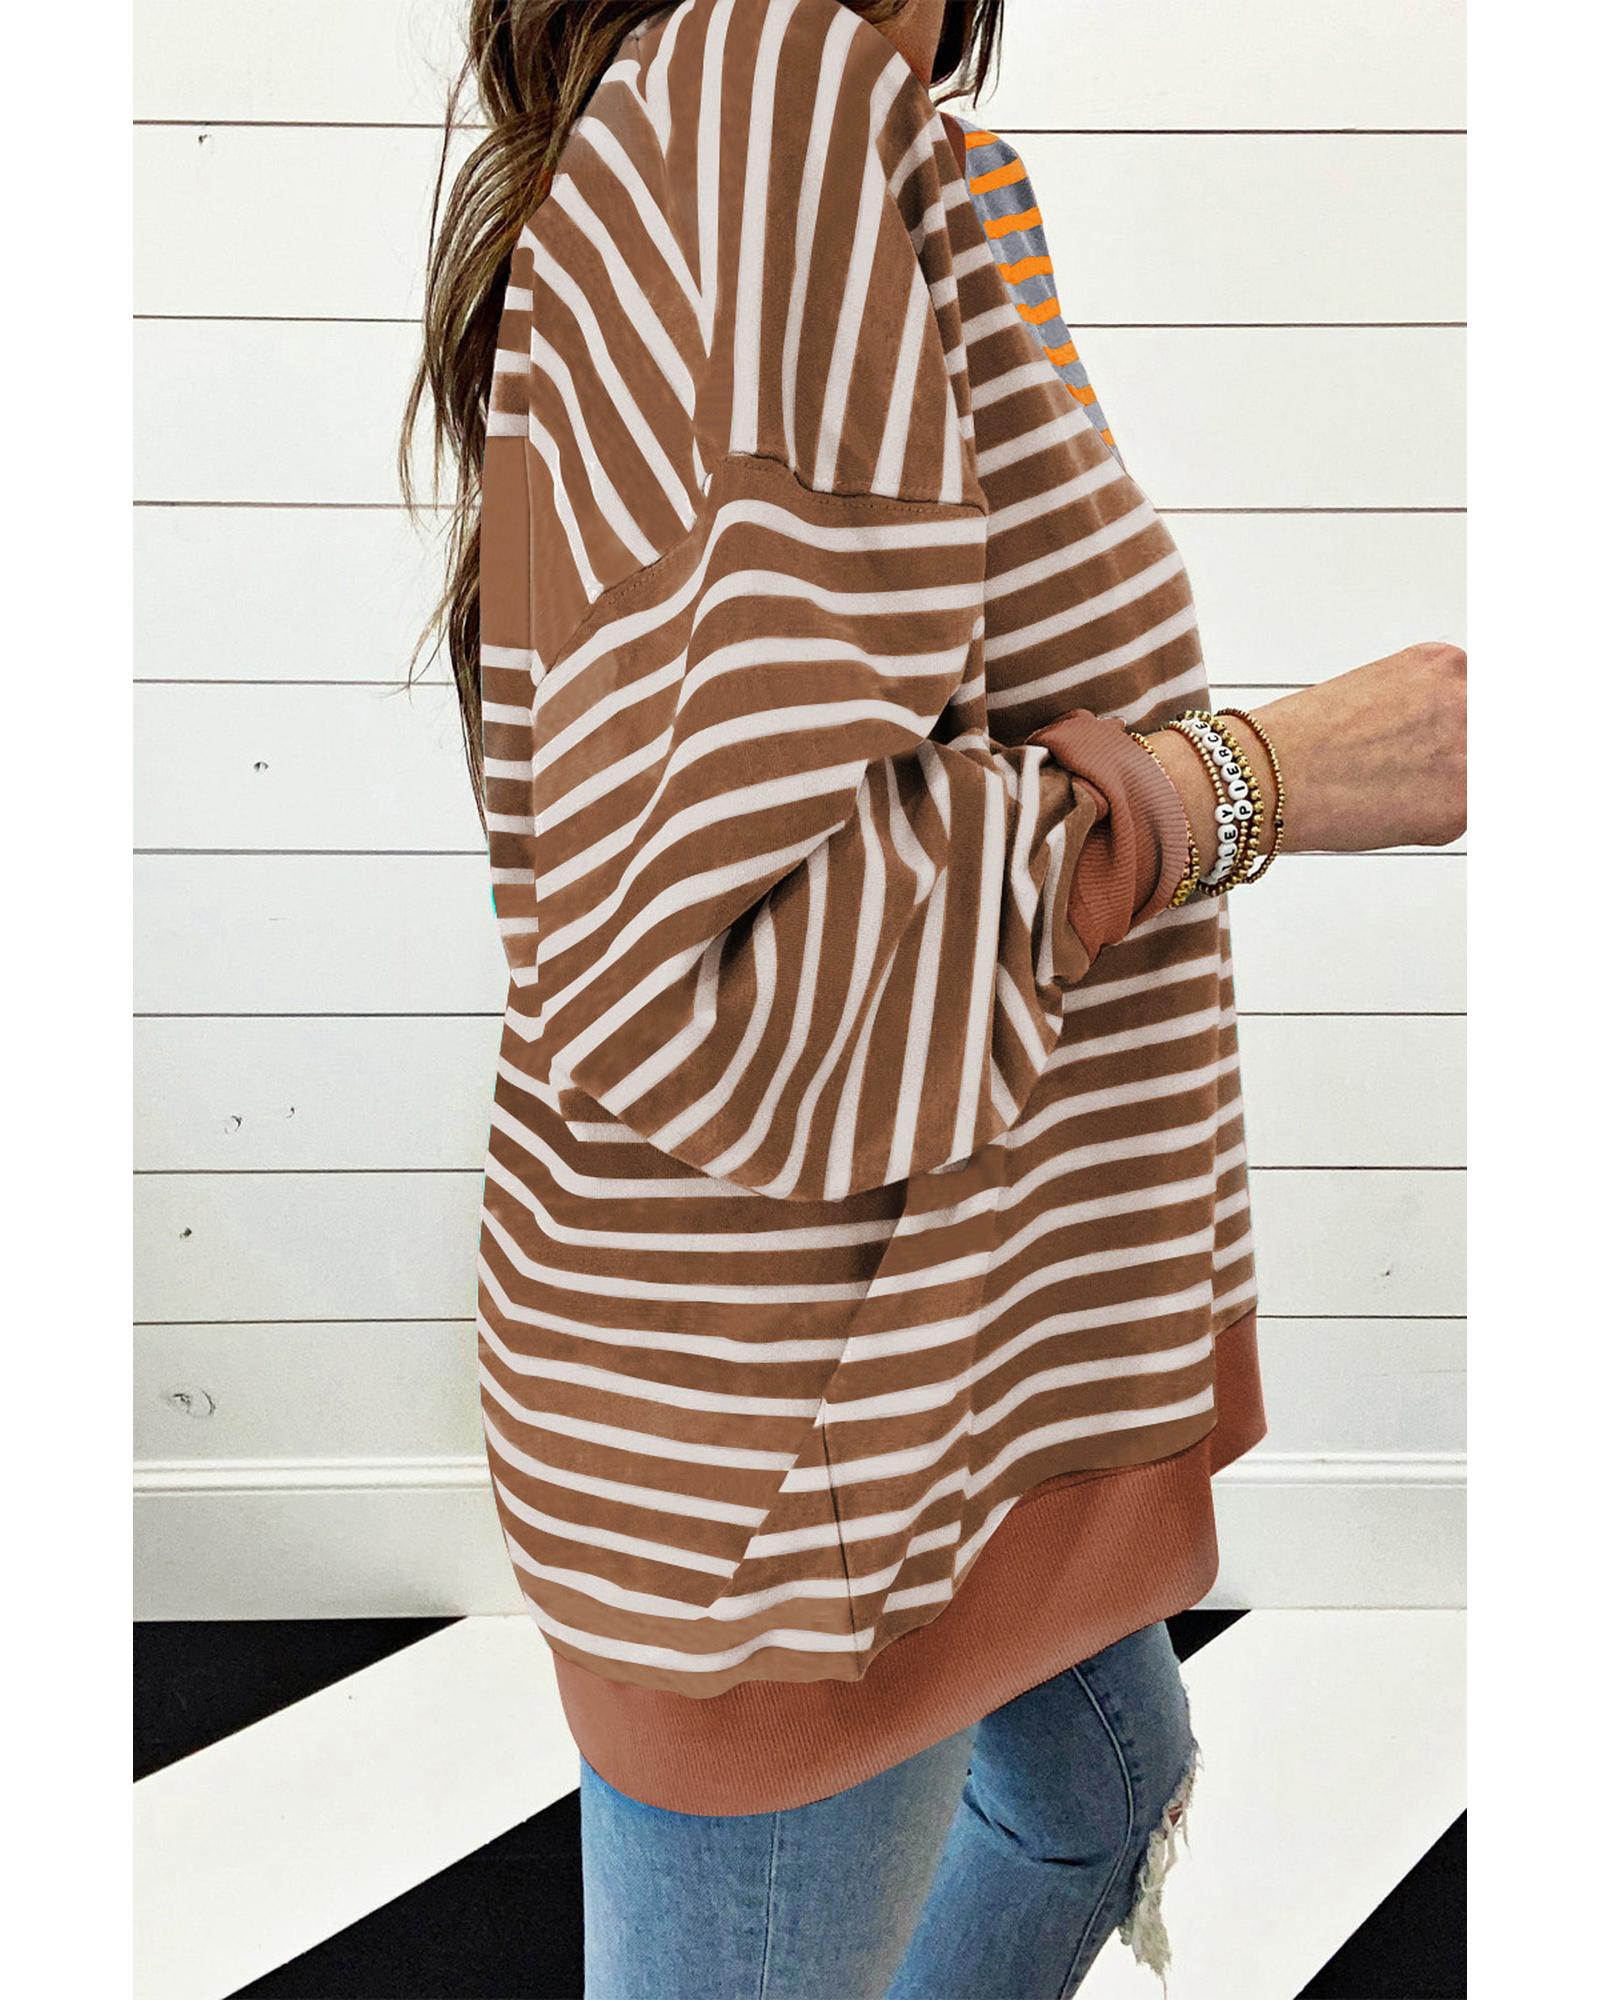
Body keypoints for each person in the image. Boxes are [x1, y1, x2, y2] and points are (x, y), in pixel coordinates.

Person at [401, 2, 1466, 1992]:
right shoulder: (767, 99)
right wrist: (1264, 778)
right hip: (813, 1436)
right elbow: (731, 972)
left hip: (931, 1359)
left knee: (1099, 1784)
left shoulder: (843, 131)